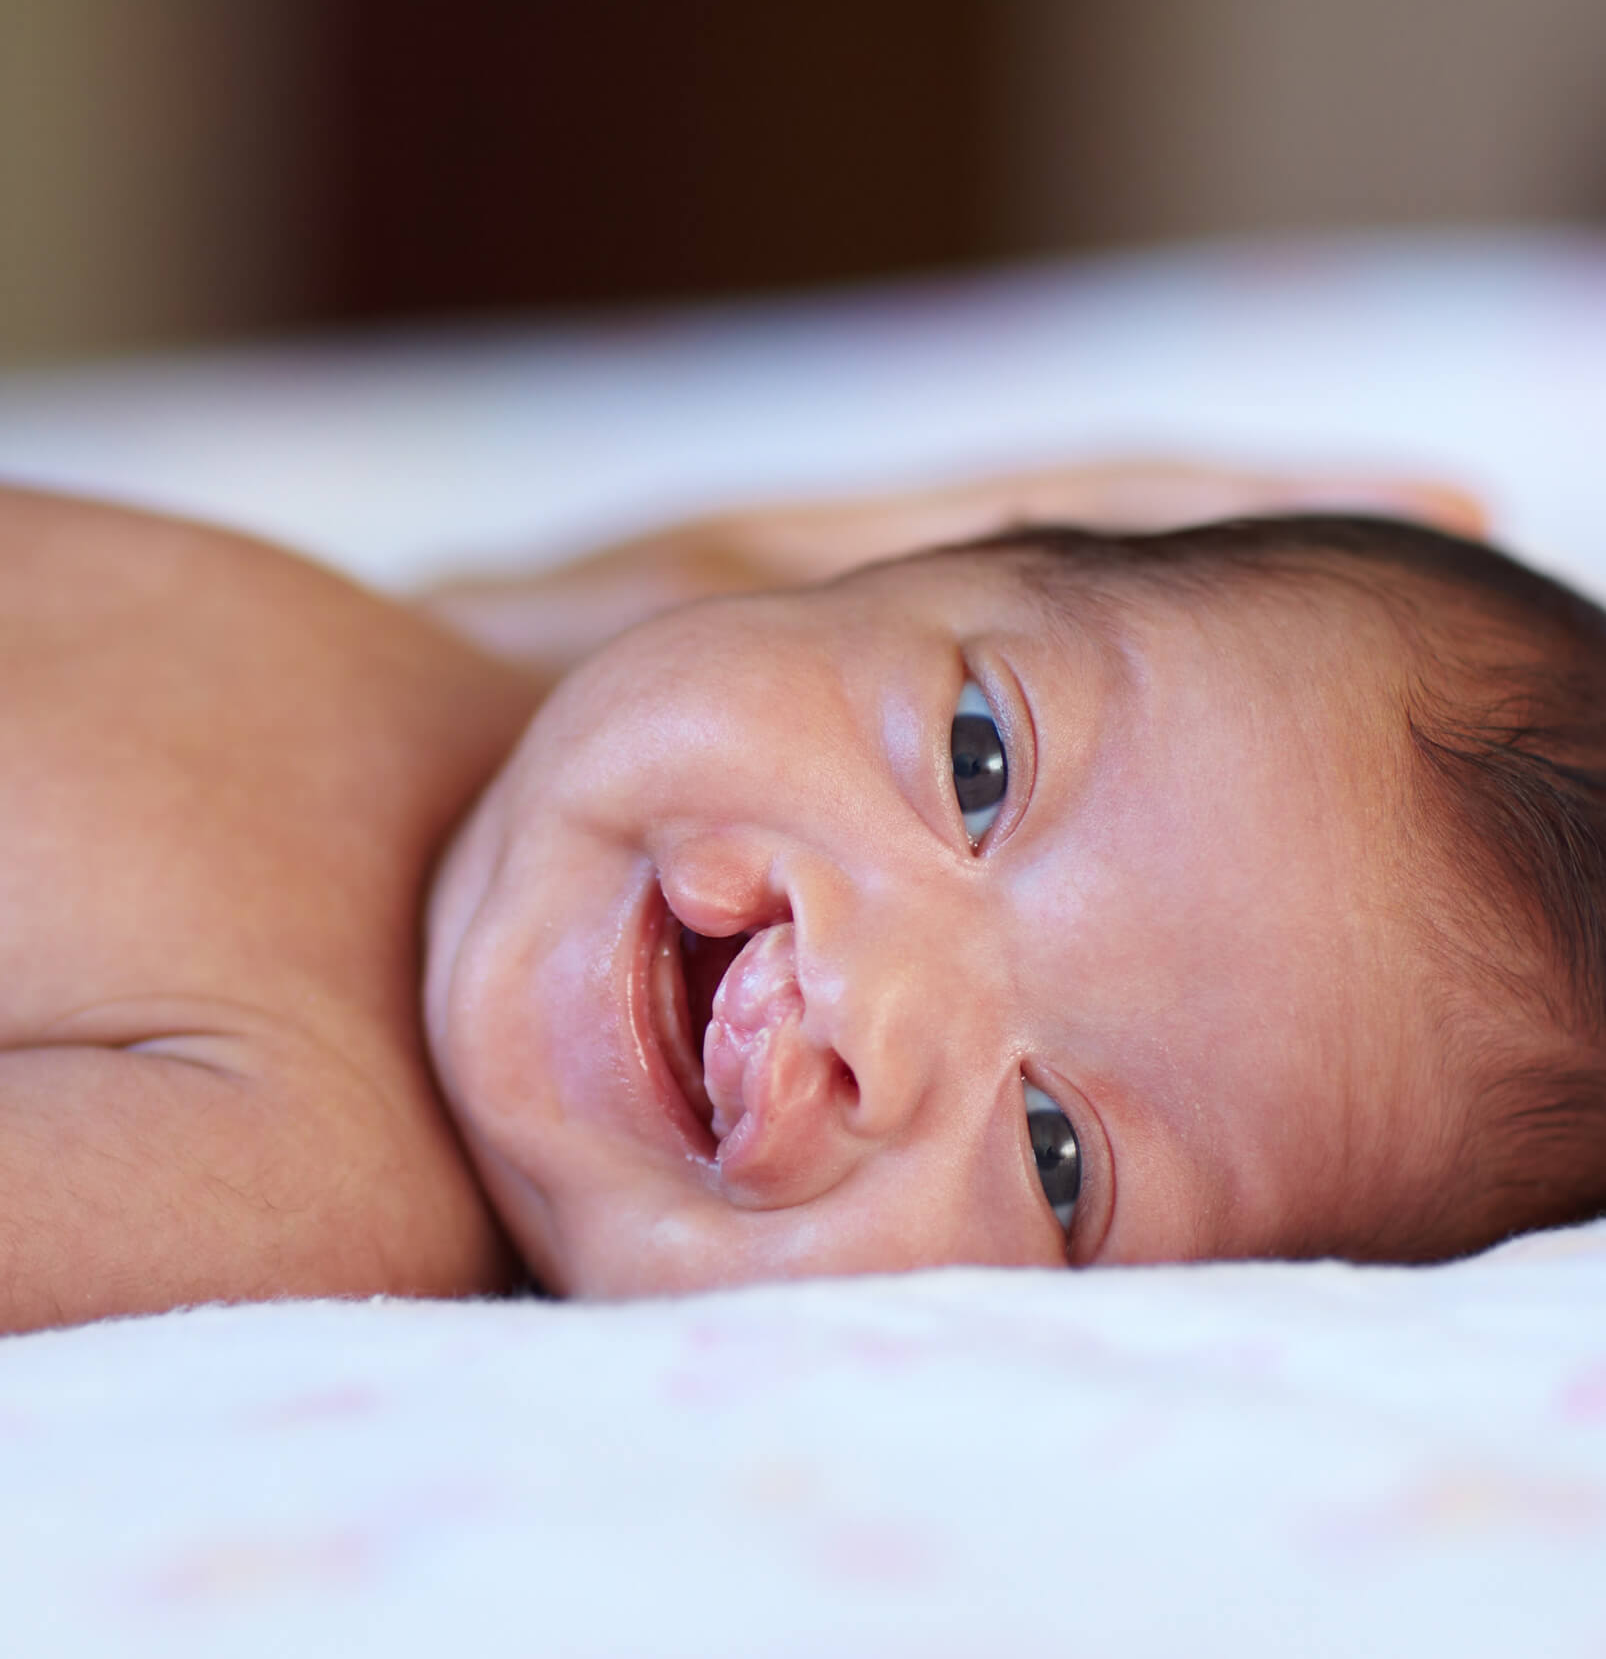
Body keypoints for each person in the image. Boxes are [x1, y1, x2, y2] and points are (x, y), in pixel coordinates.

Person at [3, 462, 1600, 1332]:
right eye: (979, 761)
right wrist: (1155, 493)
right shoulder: (509, 655)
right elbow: (749, 550)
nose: (870, 990)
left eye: (1055, 1157)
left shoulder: (298, 1174)